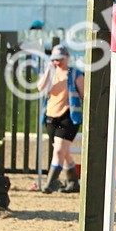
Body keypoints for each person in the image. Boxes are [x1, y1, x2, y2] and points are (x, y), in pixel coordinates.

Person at [36, 44, 85, 193]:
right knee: (63, 152)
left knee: (58, 152)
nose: (57, 62)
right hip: (51, 116)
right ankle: (73, 182)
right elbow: (40, 88)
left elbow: (84, 95)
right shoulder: (51, 73)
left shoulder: (75, 74)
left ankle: (51, 183)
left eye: (59, 59)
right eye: (54, 59)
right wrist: (49, 71)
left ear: (67, 57)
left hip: (68, 116)